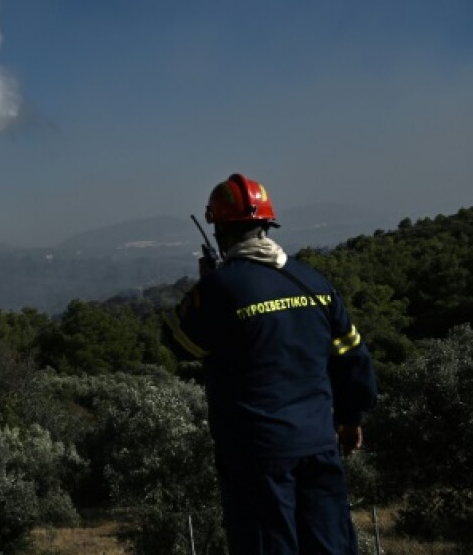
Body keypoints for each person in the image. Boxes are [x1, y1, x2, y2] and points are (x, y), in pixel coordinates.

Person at [162, 173, 378, 555]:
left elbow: (180, 343)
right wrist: (351, 418)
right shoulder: (313, 282)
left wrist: (204, 289)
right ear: (266, 224)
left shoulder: (219, 289)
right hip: (320, 446)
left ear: (221, 229)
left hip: (257, 457)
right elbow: (353, 358)